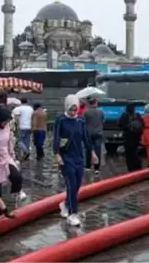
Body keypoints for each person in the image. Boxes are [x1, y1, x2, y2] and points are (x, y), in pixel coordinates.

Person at [54, 94, 98, 226]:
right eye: (71, 109)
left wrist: (93, 152)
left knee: (77, 185)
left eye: (75, 110)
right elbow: (56, 137)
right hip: (66, 157)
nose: (73, 112)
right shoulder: (60, 120)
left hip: (79, 156)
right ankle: (73, 214)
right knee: (71, 184)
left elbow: (86, 137)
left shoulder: (80, 121)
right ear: (66, 107)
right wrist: (56, 154)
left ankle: (66, 204)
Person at [118, 103, 143, 172]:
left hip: (128, 136)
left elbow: (120, 125)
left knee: (129, 153)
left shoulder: (124, 115)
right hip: (137, 137)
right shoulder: (138, 115)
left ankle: (131, 168)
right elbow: (142, 124)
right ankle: (137, 166)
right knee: (135, 151)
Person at [83, 98, 104, 175]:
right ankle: (97, 169)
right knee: (98, 150)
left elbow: (83, 122)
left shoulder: (86, 112)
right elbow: (103, 121)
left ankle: (88, 166)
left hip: (89, 133)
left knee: (88, 149)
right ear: (95, 103)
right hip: (98, 133)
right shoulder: (101, 112)